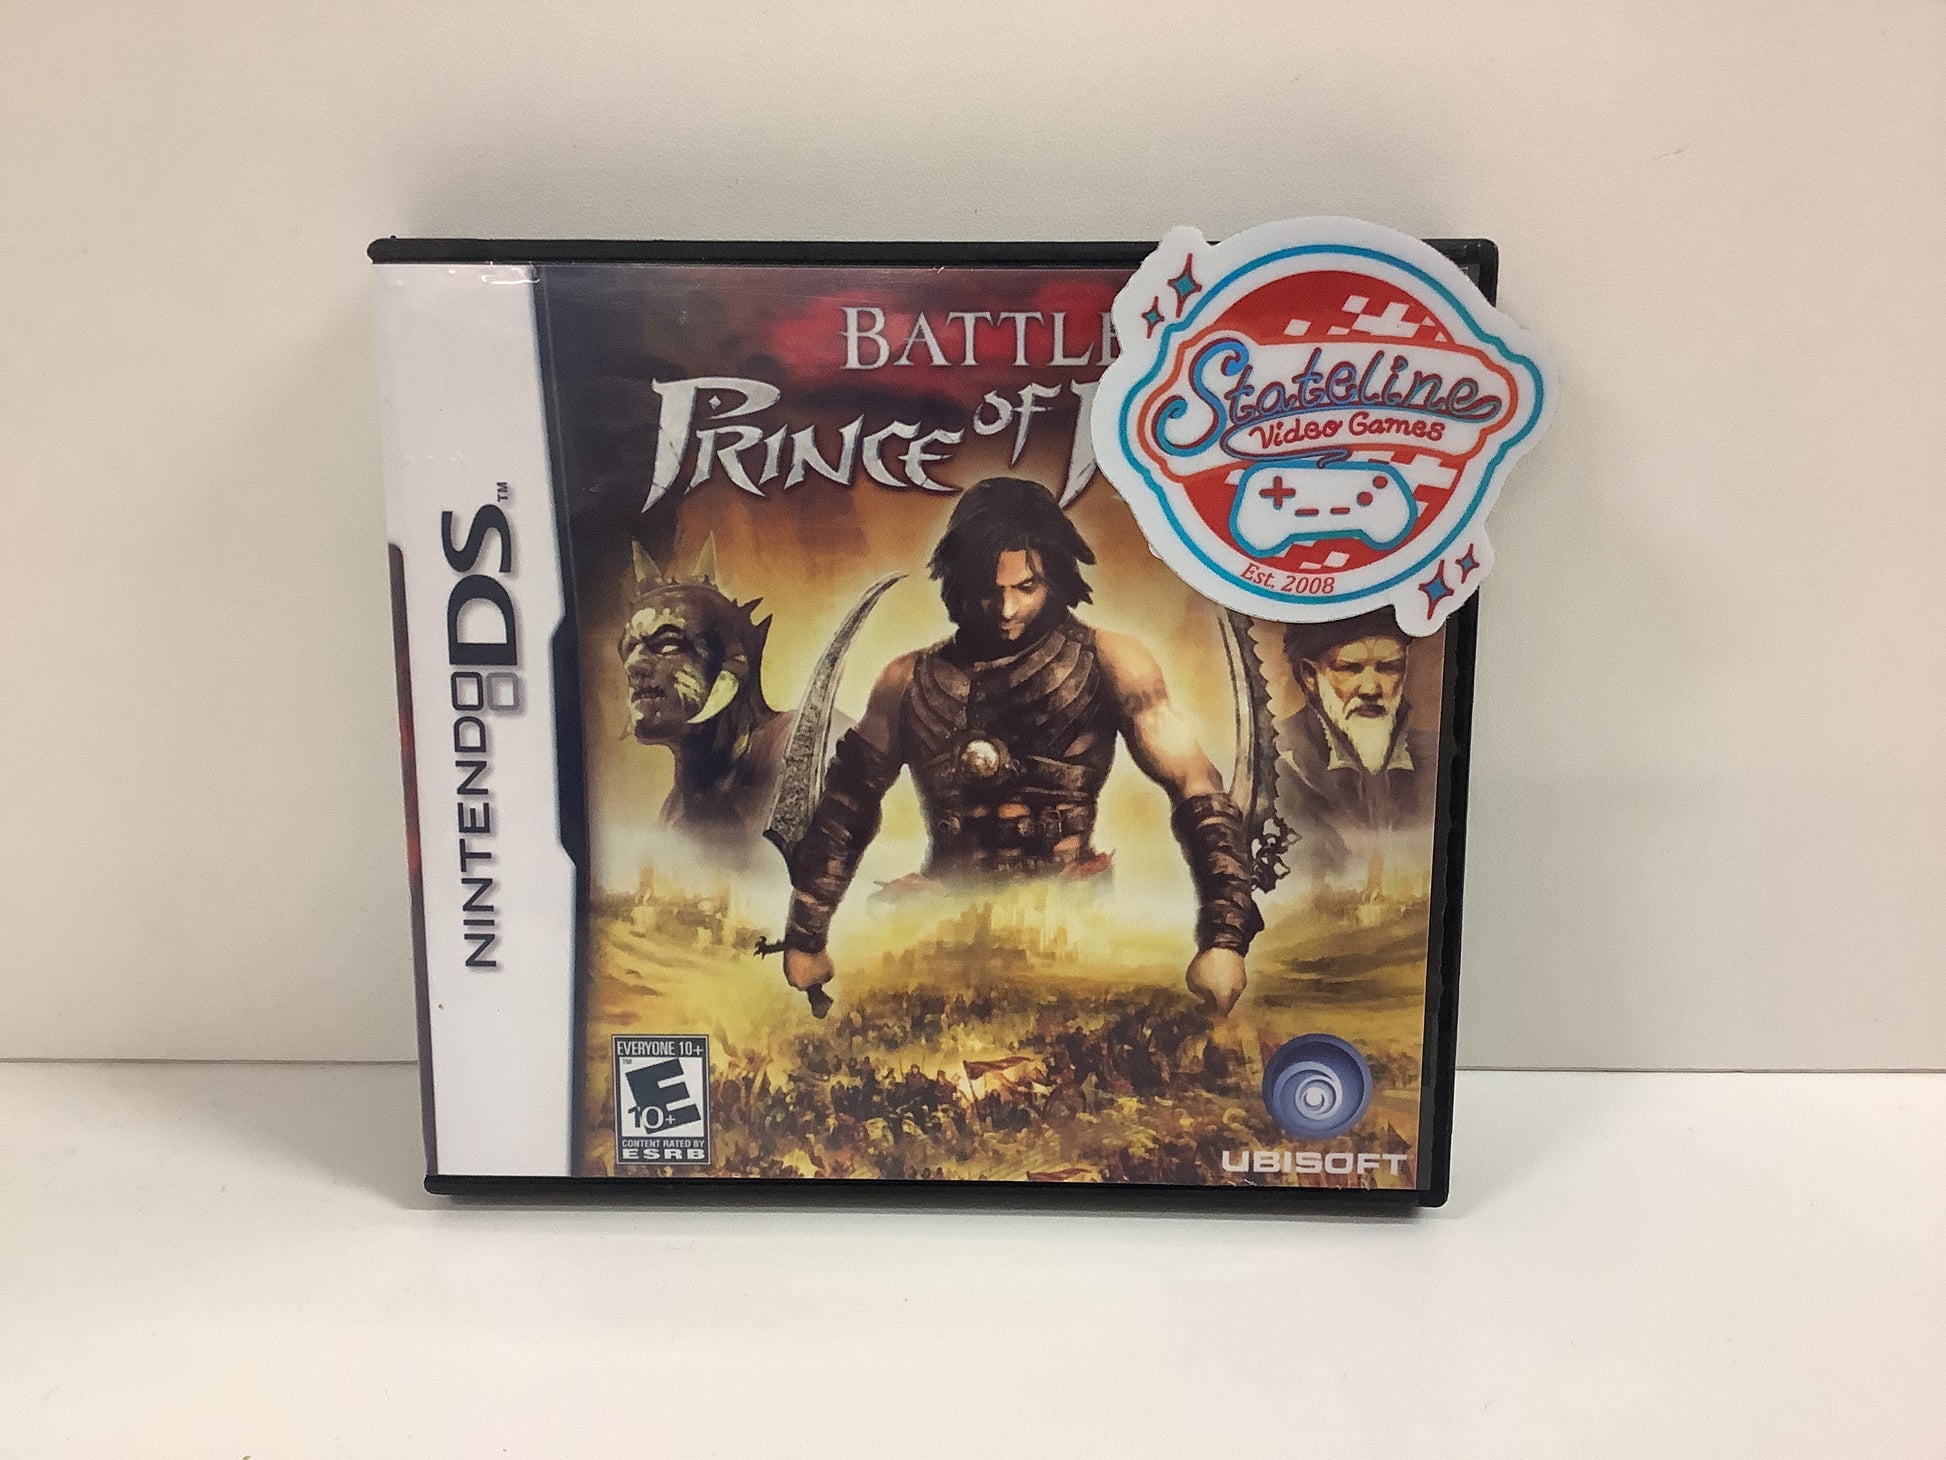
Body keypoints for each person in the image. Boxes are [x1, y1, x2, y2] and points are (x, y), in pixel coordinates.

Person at [778, 477, 1261, 1013]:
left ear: (1055, 576)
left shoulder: (1112, 662)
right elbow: (848, 804)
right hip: (939, 928)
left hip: (1076, 928)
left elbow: (1196, 785)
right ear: (960, 582)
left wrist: (1224, 937)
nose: (1006, 609)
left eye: (1026, 587)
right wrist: (806, 935)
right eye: (990, 590)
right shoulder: (906, 681)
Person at [1276, 610, 1436, 878]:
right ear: (1310, 675)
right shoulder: (1275, 761)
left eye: (1389, 667)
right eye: (1350, 668)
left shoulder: (1434, 759)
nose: (1371, 689)